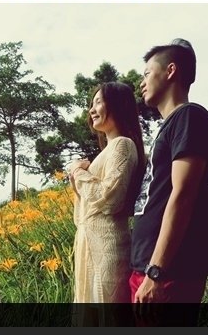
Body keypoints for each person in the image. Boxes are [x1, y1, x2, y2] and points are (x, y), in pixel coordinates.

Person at [130, 39, 208, 316]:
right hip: (148, 268)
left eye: (147, 73)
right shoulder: (170, 126)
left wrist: (156, 272)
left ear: (170, 71)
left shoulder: (188, 117)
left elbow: (183, 195)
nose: (141, 81)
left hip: (168, 272)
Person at [69, 82, 146, 326]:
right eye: (91, 104)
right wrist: (78, 177)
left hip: (107, 251)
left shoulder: (123, 144)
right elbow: (84, 212)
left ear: (118, 105)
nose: (92, 109)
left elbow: (110, 198)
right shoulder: (109, 150)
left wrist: (77, 173)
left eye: (99, 102)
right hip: (91, 249)